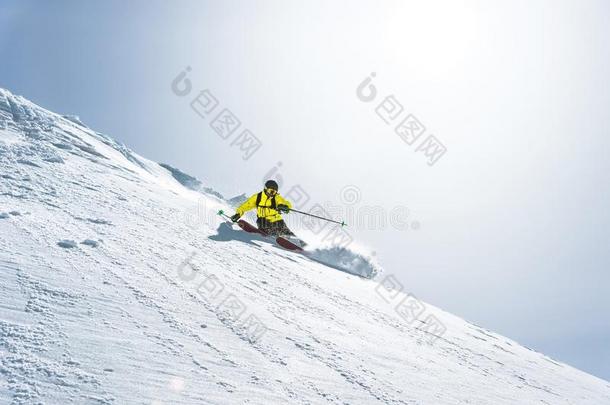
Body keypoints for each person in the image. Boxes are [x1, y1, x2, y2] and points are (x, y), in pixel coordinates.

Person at [231, 180, 295, 237]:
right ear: (265, 189)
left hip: (277, 220)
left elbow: (285, 203)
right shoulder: (257, 197)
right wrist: (238, 214)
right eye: (271, 191)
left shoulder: (276, 198)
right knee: (271, 231)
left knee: (287, 232)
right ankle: (273, 236)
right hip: (263, 221)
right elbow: (244, 206)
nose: (272, 194)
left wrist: (285, 206)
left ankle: (296, 241)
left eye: (275, 192)